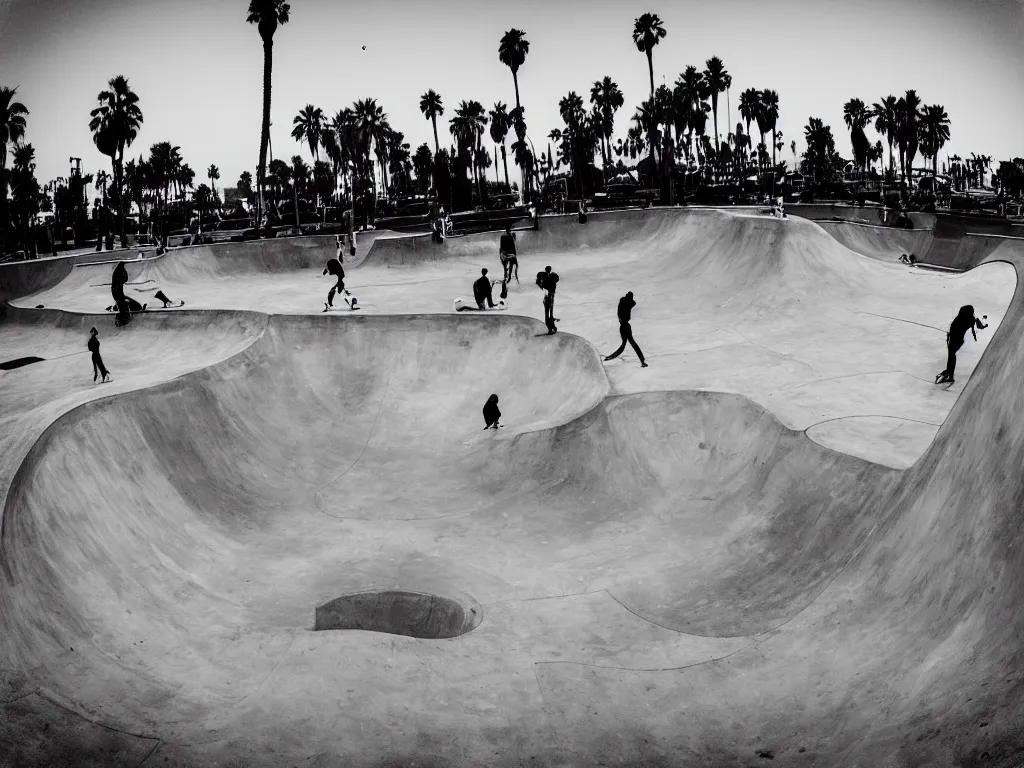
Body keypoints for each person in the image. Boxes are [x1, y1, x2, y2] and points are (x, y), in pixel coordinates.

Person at [935, 305, 988, 385]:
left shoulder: (960, 319)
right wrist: (984, 325)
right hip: (959, 340)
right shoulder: (971, 320)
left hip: (955, 340)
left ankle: (950, 374)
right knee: (952, 355)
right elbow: (979, 326)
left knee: (951, 355)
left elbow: (954, 328)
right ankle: (949, 372)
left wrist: (950, 333)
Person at [603, 291, 648, 368]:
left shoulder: (624, 301)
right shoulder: (628, 302)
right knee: (630, 343)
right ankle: (642, 361)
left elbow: (629, 302)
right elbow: (633, 302)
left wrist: (628, 297)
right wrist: (630, 298)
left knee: (627, 344)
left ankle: (610, 357)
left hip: (624, 326)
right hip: (625, 326)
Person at [536, 266, 559, 334]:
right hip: (547, 292)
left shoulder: (552, 276)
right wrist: (542, 287)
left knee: (550, 305)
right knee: (547, 306)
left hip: (550, 292)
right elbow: (538, 281)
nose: (548, 271)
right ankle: (548, 324)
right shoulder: (543, 275)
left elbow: (556, 279)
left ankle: (550, 320)